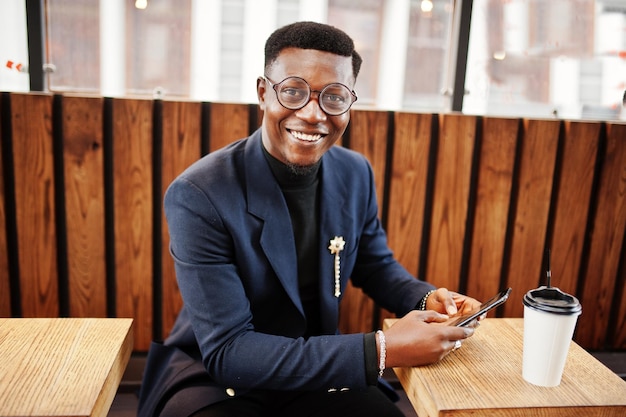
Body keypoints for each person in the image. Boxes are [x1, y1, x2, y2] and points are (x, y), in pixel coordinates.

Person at [138, 21, 482, 417]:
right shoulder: (199, 193)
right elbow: (230, 351)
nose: (313, 113)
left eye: (334, 96)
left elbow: (375, 265)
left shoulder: (355, 172)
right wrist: (383, 349)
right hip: (217, 378)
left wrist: (427, 298)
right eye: (293, 91)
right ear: (264, 93)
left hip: (316, 365)